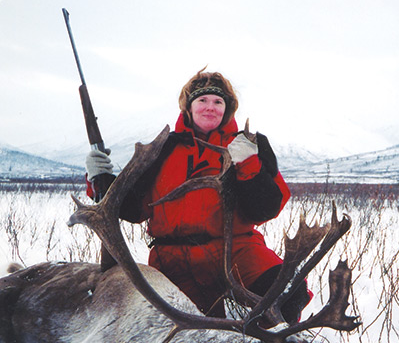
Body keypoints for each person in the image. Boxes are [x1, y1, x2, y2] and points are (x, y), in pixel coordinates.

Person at [86, 68, 311, 322]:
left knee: (289, 291)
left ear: (227, 108)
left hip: (236, 249)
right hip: (172, 258)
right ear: (188, 107)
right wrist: (101, 179)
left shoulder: (249, 144)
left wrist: (248, 162)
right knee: (172, 326)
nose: (210, 107)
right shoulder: (162, 148)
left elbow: (266, 208)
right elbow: (132, 209)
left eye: (218, 102)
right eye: (202, 100)